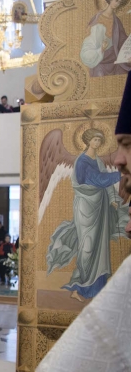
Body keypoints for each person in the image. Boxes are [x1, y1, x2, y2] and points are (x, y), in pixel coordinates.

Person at [35, 72, 131, 372]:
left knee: (95, 254)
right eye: (113, 143)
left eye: (126, 144)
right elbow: (87, 183)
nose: (118, 157)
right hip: (87, 209)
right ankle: (85, 281)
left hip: (96, 210)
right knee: (89, 250)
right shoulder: (83, 163)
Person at [46, 129, 128, 301]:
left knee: (100, 247)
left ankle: (97, 289)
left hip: (100, 207)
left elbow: (104, 182)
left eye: (100, 140)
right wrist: (120, 174)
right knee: (87, 247)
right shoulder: (82, 161)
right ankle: (79, 287)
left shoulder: (97, 160)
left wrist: (112, 198)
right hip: (86, 208)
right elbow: (97, 179)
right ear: (88, 141)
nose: (97, 143)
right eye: (95, 139)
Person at [80, 0, 130, 78]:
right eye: (116, 0)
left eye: (119, 2)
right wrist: (101, 48)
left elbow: (122, 40)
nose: (117, 4)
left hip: (114, 56)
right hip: (100, 57)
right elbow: (90, 39)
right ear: (110, 0)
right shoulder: (97, 18)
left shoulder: (117, 21)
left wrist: (128, 53)